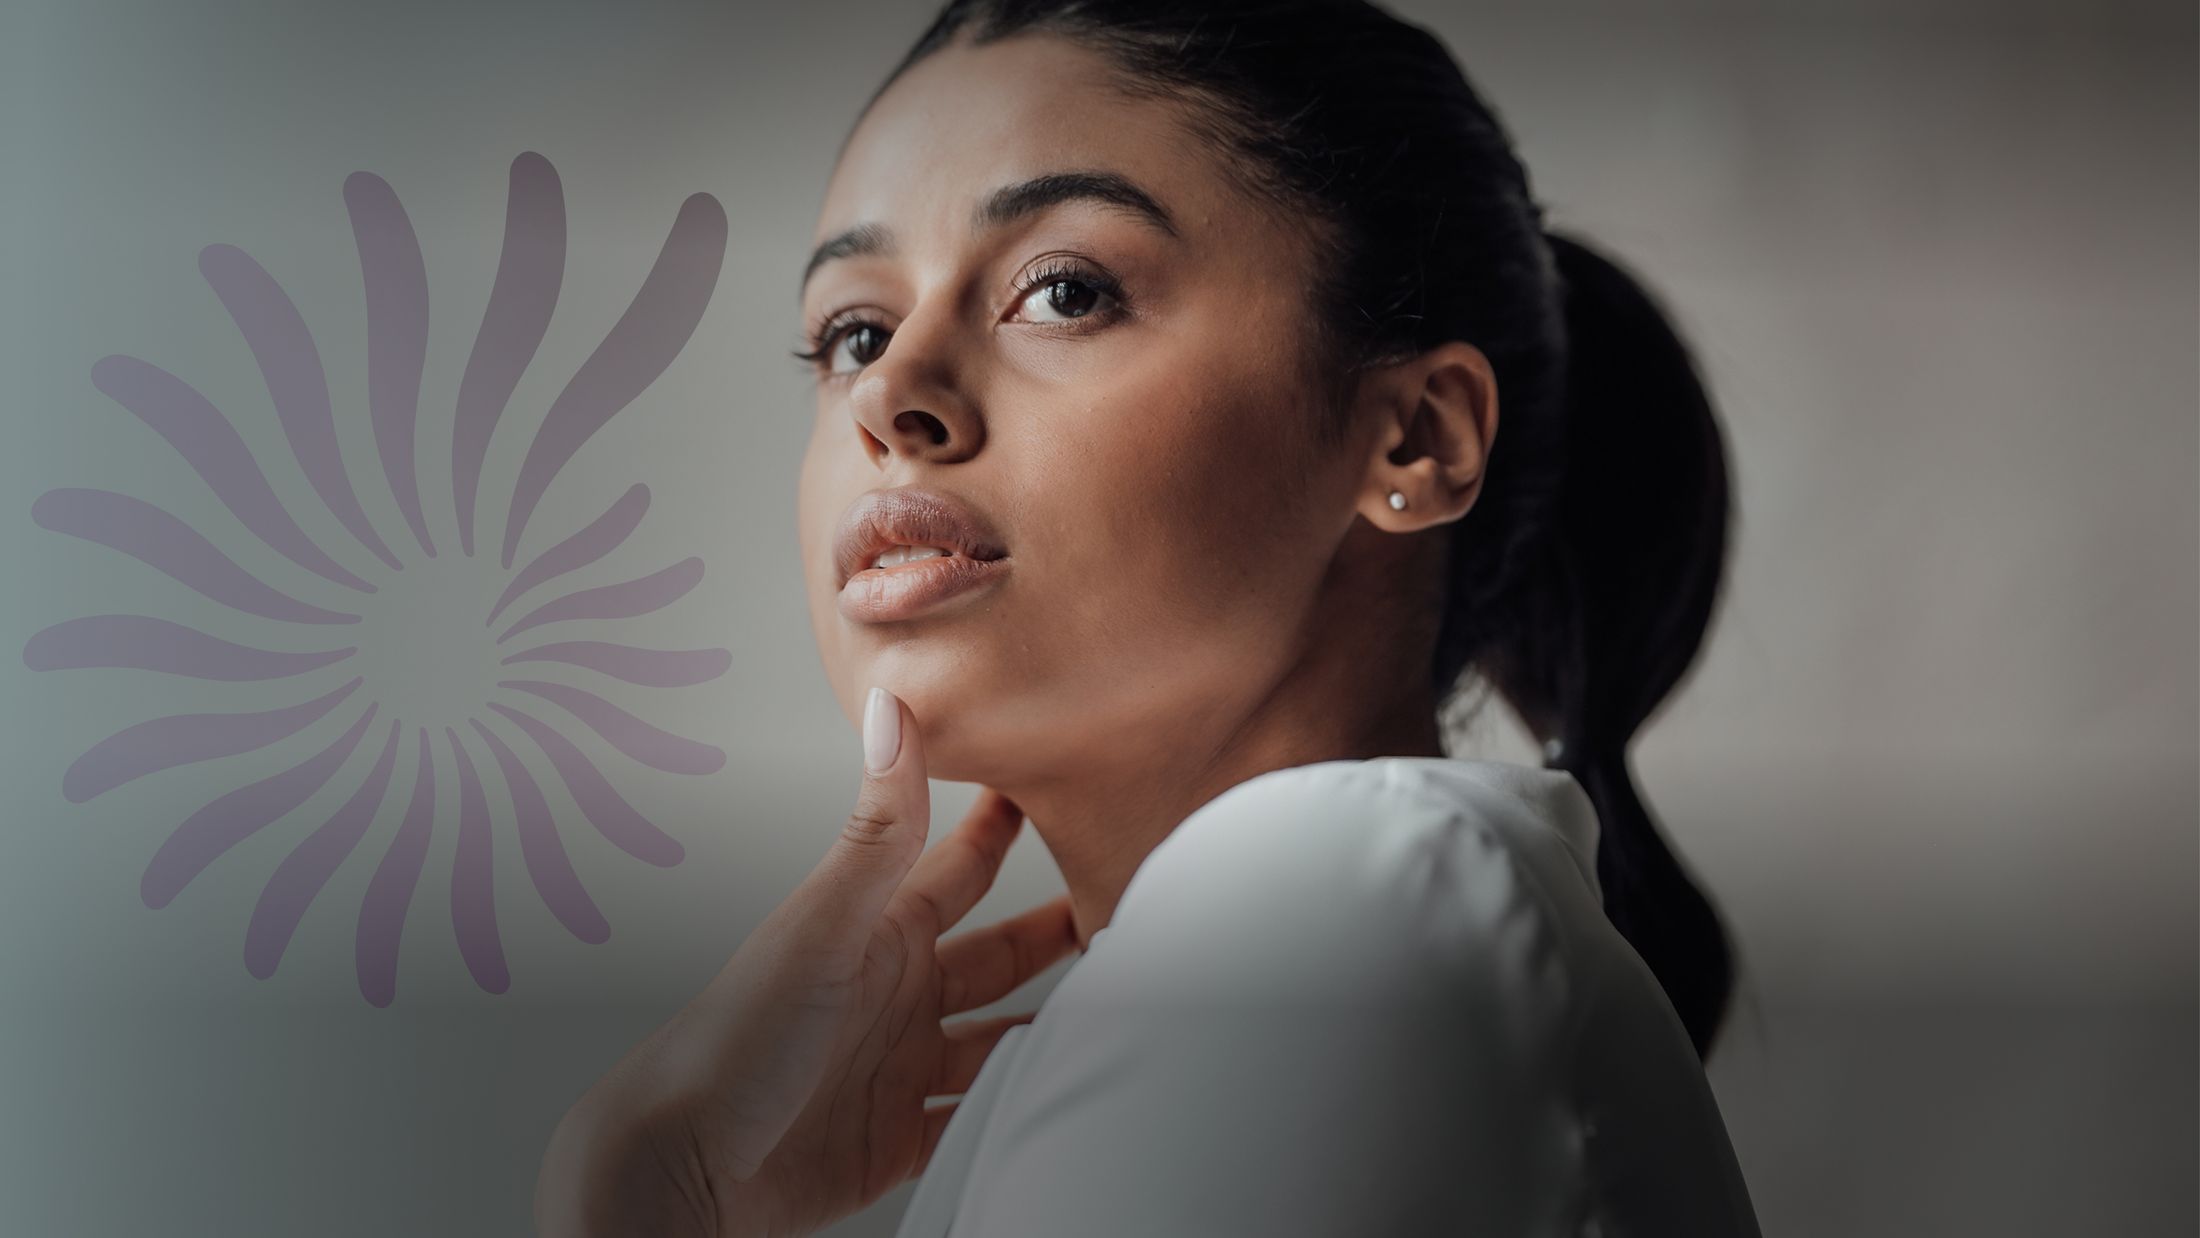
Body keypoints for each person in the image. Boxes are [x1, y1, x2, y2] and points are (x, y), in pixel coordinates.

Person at [535, 1, 1763, 1234]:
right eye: (854, 330)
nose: (892, 392)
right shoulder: (1278, 956)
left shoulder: (1329, 917)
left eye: (1062, 291)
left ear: (1414, 435)